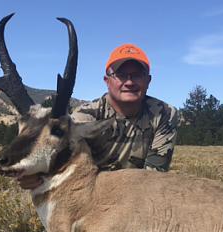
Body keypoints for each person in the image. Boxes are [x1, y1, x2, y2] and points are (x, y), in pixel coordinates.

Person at [17, 43, 178, 189]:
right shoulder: (83, 119)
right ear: (107, 81)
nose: (129, 82)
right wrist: (32, 174)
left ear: (148, 80)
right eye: (121, 75)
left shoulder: (163, 113)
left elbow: (155, 176)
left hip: (140, 195)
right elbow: (52, 156)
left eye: (137, 75)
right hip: (93, 196)